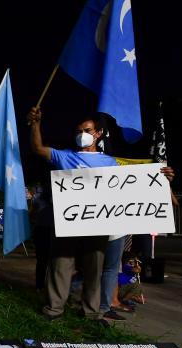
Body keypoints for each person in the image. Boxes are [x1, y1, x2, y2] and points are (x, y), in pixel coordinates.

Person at [27, 107, 117, 323]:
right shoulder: (65, 156)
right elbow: (38, 148)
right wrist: (35, 124)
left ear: (98, 133)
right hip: (67, 223)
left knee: (94, 268)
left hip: (96, 224)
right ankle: (54, 309)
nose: (81, 134)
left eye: (86, 130)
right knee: (60, 265)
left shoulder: (110, 162)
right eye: (78, 131)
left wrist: (162, 178)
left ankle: (91, 312)